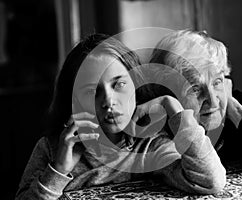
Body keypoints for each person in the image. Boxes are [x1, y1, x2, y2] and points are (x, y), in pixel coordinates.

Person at [15, 33, 226, 200]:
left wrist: (173, 108)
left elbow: (210, 181)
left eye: (119, 84)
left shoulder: (148, 145)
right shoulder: (52, 149)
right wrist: (58, 169)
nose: (108, 101)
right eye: (91, 91)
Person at [149, 30, 242, 175]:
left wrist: (233, 107)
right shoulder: (156, 126)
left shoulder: (235, 102)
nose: (213, 100)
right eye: (195, 88)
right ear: (168, 94)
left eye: (217, 82)